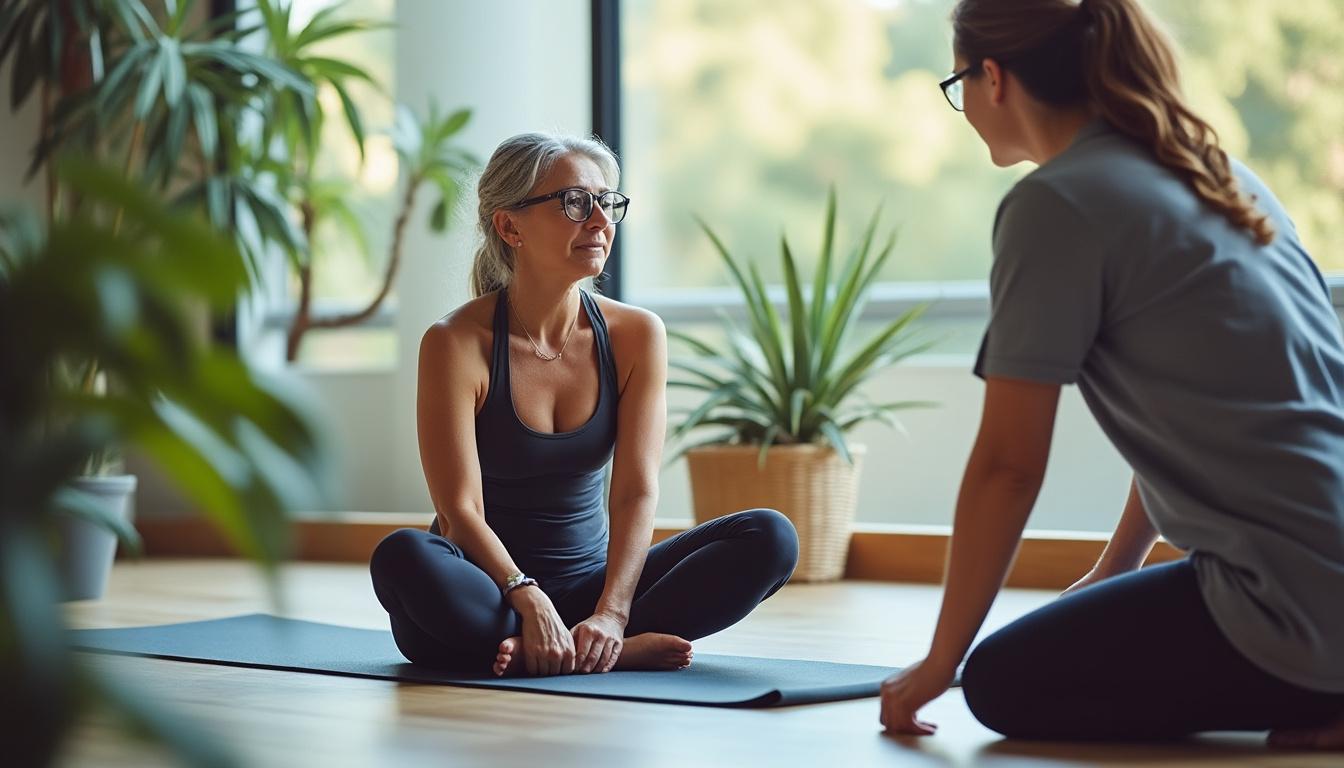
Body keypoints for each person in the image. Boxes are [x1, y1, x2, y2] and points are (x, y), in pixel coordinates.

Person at [879, 0, 1344, 748]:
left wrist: (940, 660)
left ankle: (1321, 693)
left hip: (1292, 596)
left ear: (992, 77)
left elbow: (1008, 465)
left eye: (956, 82)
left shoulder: (1055, 204)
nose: (961, 103)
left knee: (1000, 681)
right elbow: (1190, 418)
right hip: (1321, 555)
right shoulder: (1223, 174)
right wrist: (1114, 568)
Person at [368, 132, 799, 678]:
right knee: (403, 555)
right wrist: (524, 594)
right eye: (574, 202)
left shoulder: (637, 334)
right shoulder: (455, 343)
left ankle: (569, 650)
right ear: (509, 226)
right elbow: (460, 512)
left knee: (770, 537)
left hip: (594, 593)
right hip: (487, 594)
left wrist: (614, 613)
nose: (599, 220)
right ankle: (589, 653)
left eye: (606, 202)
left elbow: (637, 489)